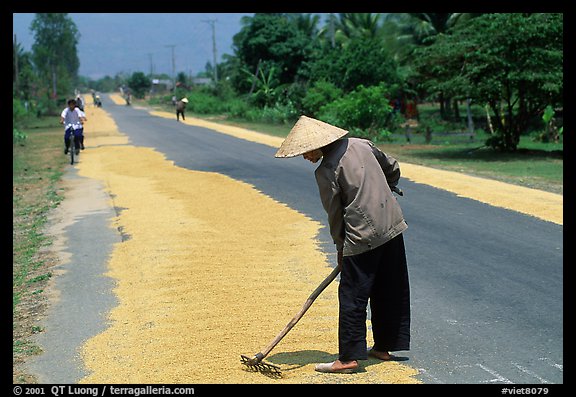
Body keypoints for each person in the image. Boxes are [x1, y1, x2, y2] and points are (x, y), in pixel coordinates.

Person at [275, 115, 411, 374]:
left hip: (362, 235)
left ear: (319, 144)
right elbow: (392, 167)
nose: (305, 156)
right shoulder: (363, 145)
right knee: (388, 286)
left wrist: (341, 248)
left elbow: (335, 215)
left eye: (306, 151)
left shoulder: (327, 171)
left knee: (352, 294)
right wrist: (387, 186)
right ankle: (383, 346)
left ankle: (348, 358)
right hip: (392, 224)